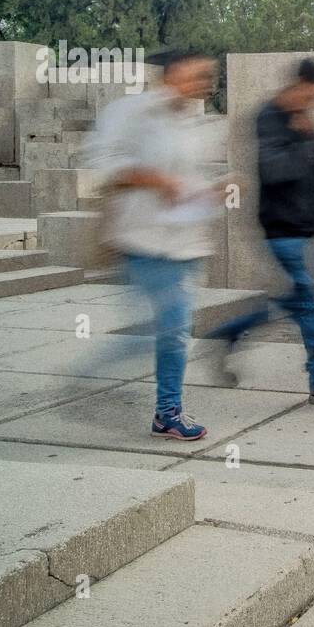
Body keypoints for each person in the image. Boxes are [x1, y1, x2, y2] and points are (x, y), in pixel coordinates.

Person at [210, 58, 314, 408]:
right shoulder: (269, 117)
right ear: (300, 85)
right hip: (281, 229)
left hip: (303, 227)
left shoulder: (302, 120)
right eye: (312, 95)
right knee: (312, 301)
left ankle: (231, 332)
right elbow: (272, 170)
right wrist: (298, 135)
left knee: (298, 301)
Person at [87, 51, 221, 441]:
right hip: (141, 240)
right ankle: (160, 409)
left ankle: (165, 411)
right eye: (198, 75)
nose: (204, 83)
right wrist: (152, 179)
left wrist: (214, 190)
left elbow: (188, 177)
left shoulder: (197, 123)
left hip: (184, 242)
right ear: (174, 73)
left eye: (207, 77)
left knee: (170, 329)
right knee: (172, 327)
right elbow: (103, 163)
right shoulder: (133, 113)